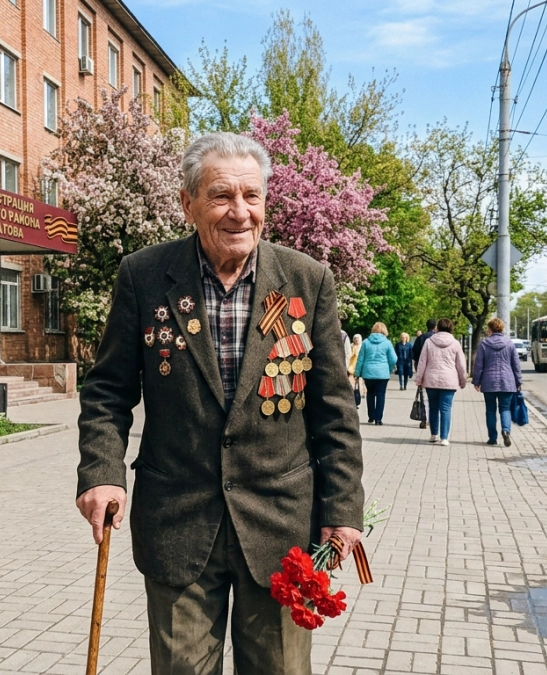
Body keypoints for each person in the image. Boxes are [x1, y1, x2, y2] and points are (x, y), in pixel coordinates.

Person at [77, 132, 364, 675]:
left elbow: (334, 412)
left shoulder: (307, 280)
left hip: (281, 527)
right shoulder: (144, 276)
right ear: (188, 203)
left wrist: (342, 511)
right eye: (221, 196)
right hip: (178, 523)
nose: (240, 211)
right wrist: (102, 473)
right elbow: (107, 391)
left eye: (251, 196)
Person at [413, 318, 467, 446]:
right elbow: (461, 364)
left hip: (431, 380)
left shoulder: (428, 342)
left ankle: (434, 435)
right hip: (449, 381)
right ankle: (444, 438)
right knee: (446, 409)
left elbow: (422, 362)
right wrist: (463, 380)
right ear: (451, 328)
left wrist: (419, 379)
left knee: (433, 407)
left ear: (437, 328)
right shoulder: (455, 343)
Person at [472, 318, 523, 447]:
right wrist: (518, 381)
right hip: (507, 382)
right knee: (505, 409)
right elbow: (516, 365)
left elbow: (479, 365)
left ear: (490, 329)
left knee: (490, 410)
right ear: (501, 329)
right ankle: (506, 431)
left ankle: (492, 438)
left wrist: (476, 381)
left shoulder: (484, 344)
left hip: (489, 381)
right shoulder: (509, 343)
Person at [353, 322, 398, 424]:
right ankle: (378, 419)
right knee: (381, 394)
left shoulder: (366, 342)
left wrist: (357, 373)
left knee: (370, 393)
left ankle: (371, 416)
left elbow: (360, 359)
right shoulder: (387, 343)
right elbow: (394, 359)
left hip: (368, 372)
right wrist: (389, 369)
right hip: (383, 373)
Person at [347, 333, 363, 406]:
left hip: (359, 366)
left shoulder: (362, 347)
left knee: (359, 383)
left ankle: (358, 397)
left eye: (358, 338)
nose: (356, 340)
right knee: (351, 383)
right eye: (355, 338)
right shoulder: (350, 346)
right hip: (350, 367)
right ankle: (352, 397)